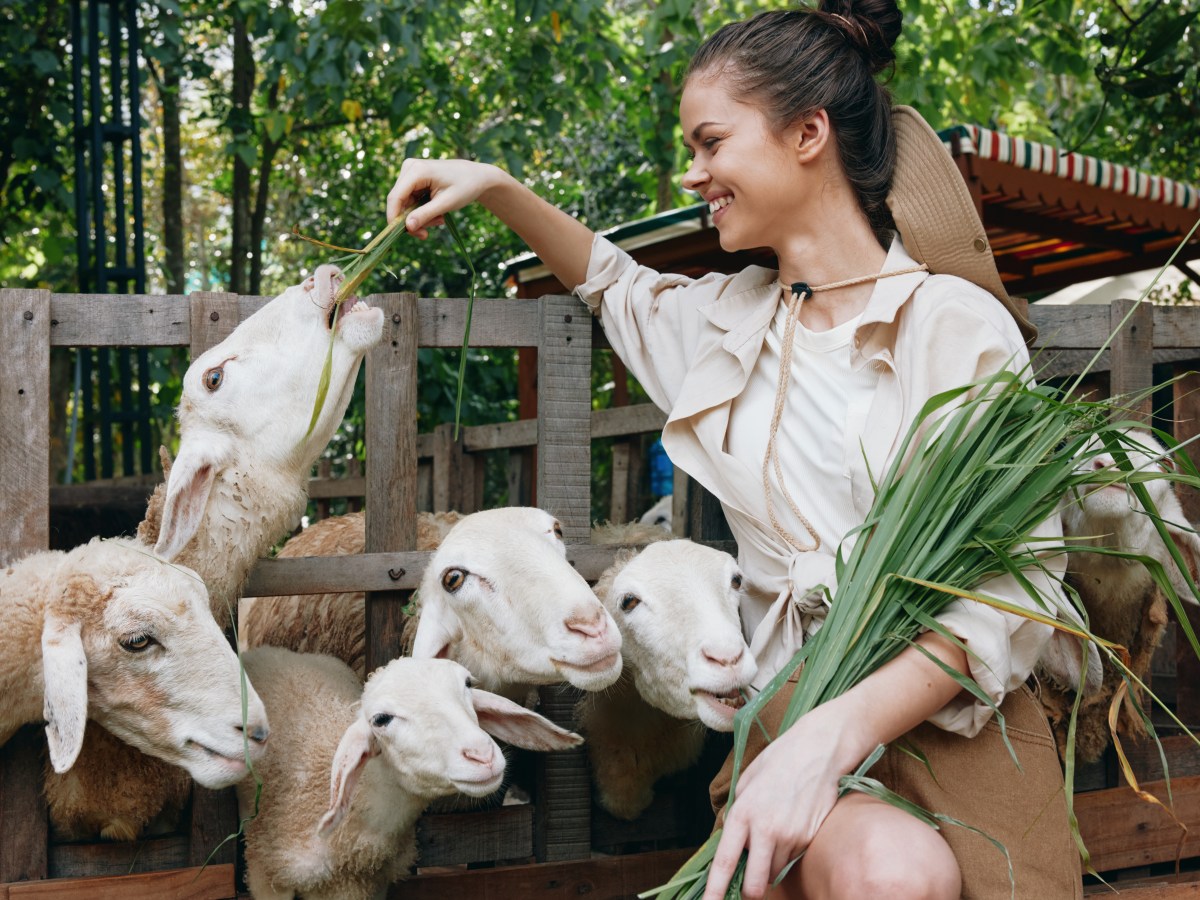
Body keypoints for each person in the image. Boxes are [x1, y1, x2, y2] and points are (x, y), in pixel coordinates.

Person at [386, 3, 1082, 897]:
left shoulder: (952, 327)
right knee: (891, 873)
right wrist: (495, 187)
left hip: (952, 717)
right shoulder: (725, 322)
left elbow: (1010, 587)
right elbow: (612, 282)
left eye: (711, 142)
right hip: (795, 699)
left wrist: (831, 741)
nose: (695, 171)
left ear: (807, 132)